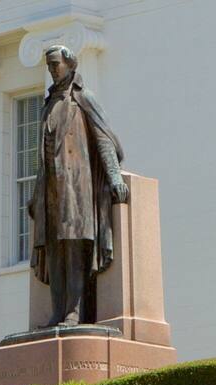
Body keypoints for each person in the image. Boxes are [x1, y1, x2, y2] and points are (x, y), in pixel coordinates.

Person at [28, 45, 129, 329]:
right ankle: (57, 311)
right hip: (51, 189)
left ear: (70, 65)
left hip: (77, 187)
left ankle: (74, 311)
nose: (52, 70)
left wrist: (114, 178)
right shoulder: (49, 103)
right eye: (49, 65)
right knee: (54, 249)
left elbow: (104, 139)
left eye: (56, 64)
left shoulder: (84, 100)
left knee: (73, 249)